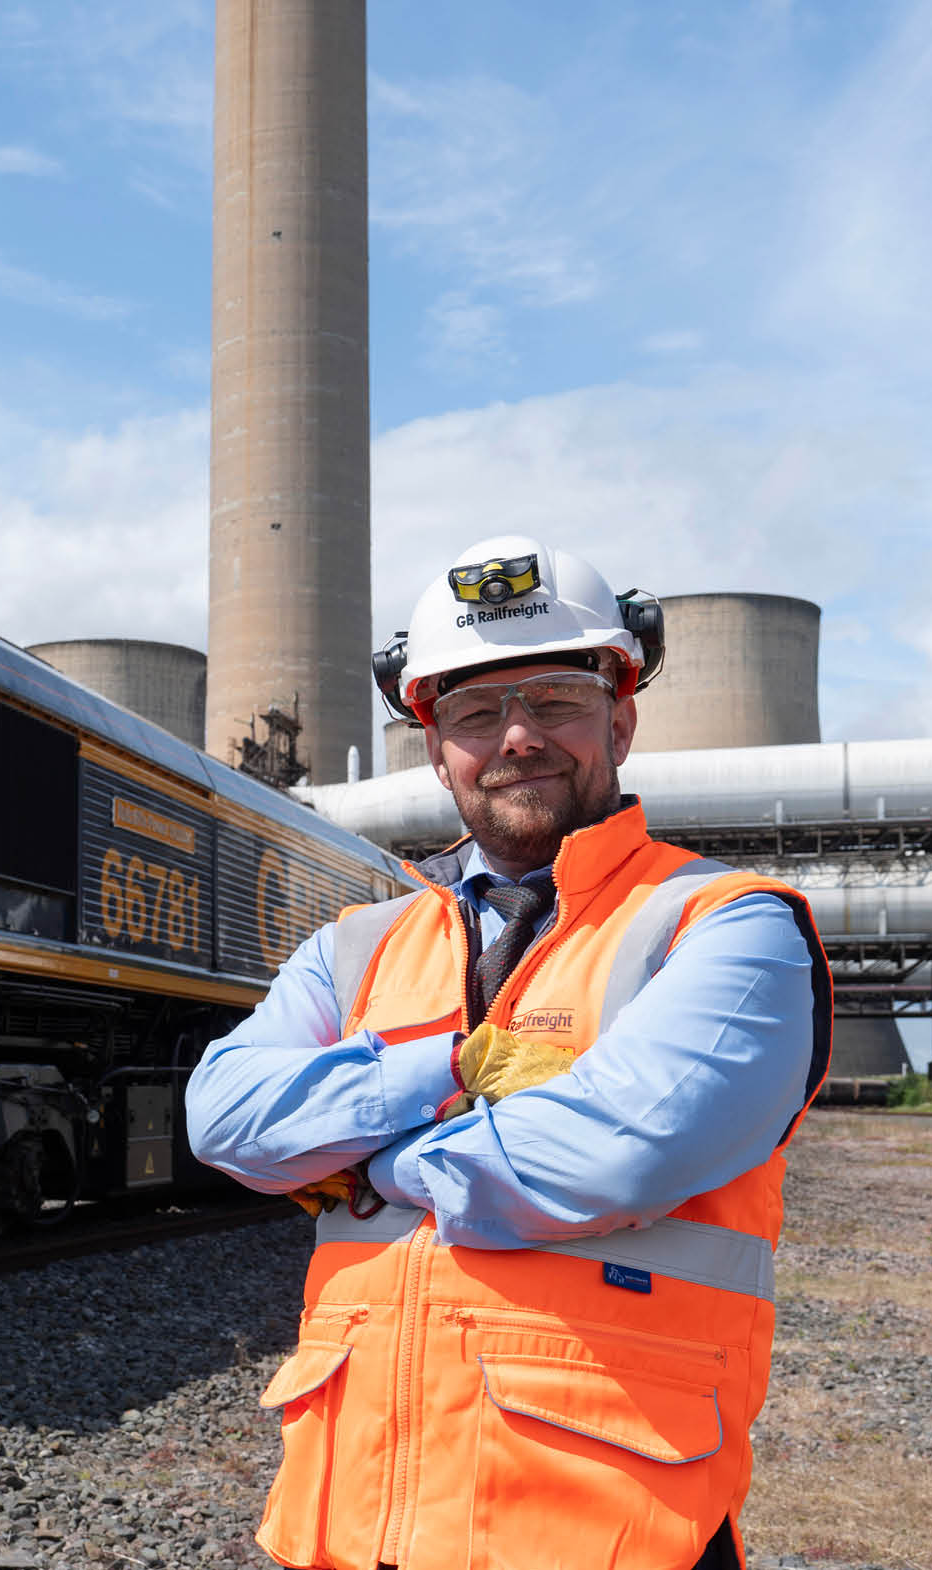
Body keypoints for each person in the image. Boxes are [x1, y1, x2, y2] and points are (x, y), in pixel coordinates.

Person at [187, 536, 831, 1570]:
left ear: (621, 714)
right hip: (353, 1520)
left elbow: (617, 1154)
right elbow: (223, 1119)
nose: (517, 737)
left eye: (555, 701)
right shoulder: (355, 945)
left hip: (595, 1529)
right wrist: (441, 1069)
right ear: (433, 745)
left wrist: (374, 1159)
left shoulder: (726, 925)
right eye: (476, 713)